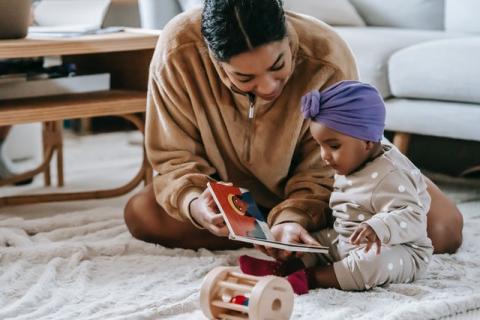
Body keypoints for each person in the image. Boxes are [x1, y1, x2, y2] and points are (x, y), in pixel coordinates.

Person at [124, 0, 463, 254]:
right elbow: (173, 158)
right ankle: (304, 241)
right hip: (233, 189)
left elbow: (330, 166)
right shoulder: (178, 51)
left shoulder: (326, 54)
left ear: (288, 36)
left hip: (331, 190)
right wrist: (196, 204)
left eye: (278, 65)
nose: (269, 87)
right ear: (213, 58)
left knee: (442, 228)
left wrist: (296, 216)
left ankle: (298, 234)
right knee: (143, 214)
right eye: (244, 77)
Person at [241, 81, 433, 293]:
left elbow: (414, 216)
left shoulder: (391, 173)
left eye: (333, 146)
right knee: (311, 243)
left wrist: (378, 227)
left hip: (399, 249)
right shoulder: (352, 160)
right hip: (346, 237)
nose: (324, 156)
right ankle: (286, 267)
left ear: (367, 142)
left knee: (370, 264)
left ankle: (310, 278)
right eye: (320, 145)